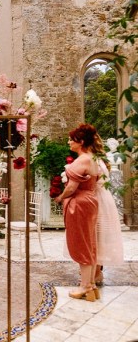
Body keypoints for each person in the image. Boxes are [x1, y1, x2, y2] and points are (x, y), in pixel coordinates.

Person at [54, 124, 99, 301]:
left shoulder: (83, 160)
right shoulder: (92, 157)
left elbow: (72, 187)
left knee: (81, 243)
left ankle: (85, 286)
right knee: (89, 242)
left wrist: (60, 197)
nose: (68, 142)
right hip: (90, 201)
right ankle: (91, 285)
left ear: (80, 142)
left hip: (80, 203)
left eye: (71, 140)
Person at [90, 134, 124, 285]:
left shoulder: (94, 161)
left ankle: (96, 272)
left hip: (97, 200)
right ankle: (96, 272)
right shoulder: (101, 160)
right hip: (103, 199)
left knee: (97, 236)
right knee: (99, 237)